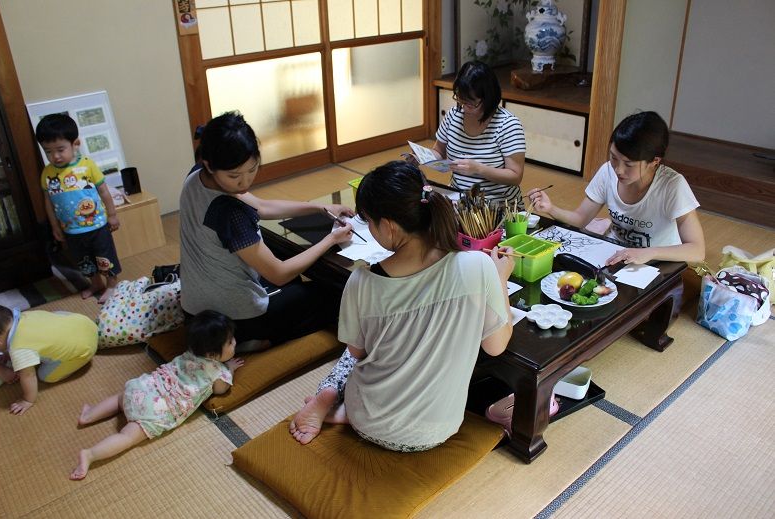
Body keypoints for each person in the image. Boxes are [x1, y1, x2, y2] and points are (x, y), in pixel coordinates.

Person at [289, 160, 515, 451]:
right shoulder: (478, 265)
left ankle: (335, 399)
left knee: (351, 354)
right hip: (439, 430)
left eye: (369, 222)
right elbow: (496, 347)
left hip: (368, 423)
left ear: (388, 226)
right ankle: (345, 409)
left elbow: (357, 352)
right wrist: (500, 279)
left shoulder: (362, 281)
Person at [180, 112, 353, 351]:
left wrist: (319, 208)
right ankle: (248, 342)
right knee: (336, 294)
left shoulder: (197, 176)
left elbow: (261, 206)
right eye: (234, 176)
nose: (244, 182)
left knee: (295, 278)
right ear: (210, 165)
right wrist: (331, 239)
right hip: (230, 323)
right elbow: (278, 273)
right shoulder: (230, 212)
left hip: (195, 311)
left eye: (252, 170)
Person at [70, 310, 244, 480]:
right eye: (230, 342)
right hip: (154, 411)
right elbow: (221, 390)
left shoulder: (191, 352)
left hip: (142, 389)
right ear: (212, 355)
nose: (235, 342)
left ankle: (88, 415)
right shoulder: (218, 372)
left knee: (118, 399)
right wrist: (230, 368)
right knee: (127, 437)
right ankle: (90, 454)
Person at [527, 111, 705, 265]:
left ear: (654, 161)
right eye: (613, 158)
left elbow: (697, 250)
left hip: (657, 263)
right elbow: (580, 219)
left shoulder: (672, 185)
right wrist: (550, 208)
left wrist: (650, 253)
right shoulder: (607, 172)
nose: (618, 170)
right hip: (612, 254)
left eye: (629, 164)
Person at [35, 114, 122, 303]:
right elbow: (48, 202)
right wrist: (55, 227)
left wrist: (112, 215)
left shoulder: (87, 165)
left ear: (75, 144)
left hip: (97, 225)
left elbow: (104, 191)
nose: (55, 156)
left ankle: (112, 285)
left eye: (60, 149)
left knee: (105, 256)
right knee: (84, 261)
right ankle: (96, 283)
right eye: (48, 152)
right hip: (71, 230)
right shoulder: (47, 173)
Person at [431, 60, 527, 208]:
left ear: (488, 98)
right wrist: (421, 157)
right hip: (459, 201)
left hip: (496, 207)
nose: (464, 108)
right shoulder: (453, 115)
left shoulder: (507, 125)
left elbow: (515, 176)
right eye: (460, 100)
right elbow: (438, 151)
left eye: (471, 104)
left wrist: (478, 169)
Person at [0, 304, 98, 415]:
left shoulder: (18, 348)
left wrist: (28, 400)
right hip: (84, 323)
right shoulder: (25, 315)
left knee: (44, 375)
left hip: (84, 350)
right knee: (54, 317)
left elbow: (28, 376)